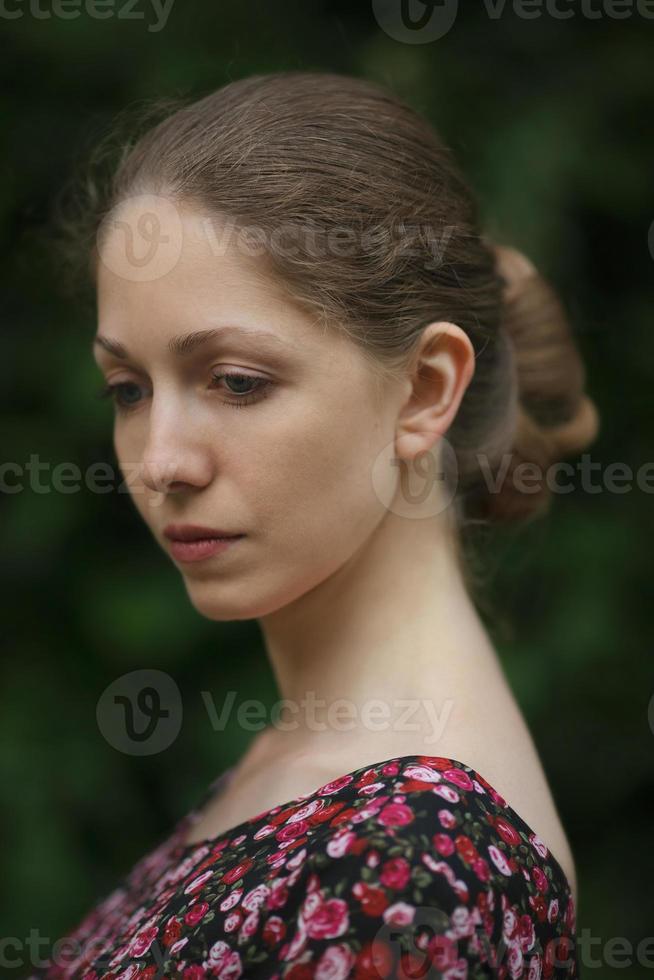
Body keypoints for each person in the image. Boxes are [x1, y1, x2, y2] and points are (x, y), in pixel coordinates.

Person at [33, 70, 599, 979]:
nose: (161, 459)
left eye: (238, 382)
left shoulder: (417, 862)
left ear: (425, 389)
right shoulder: (319, 765)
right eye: (127, 389)